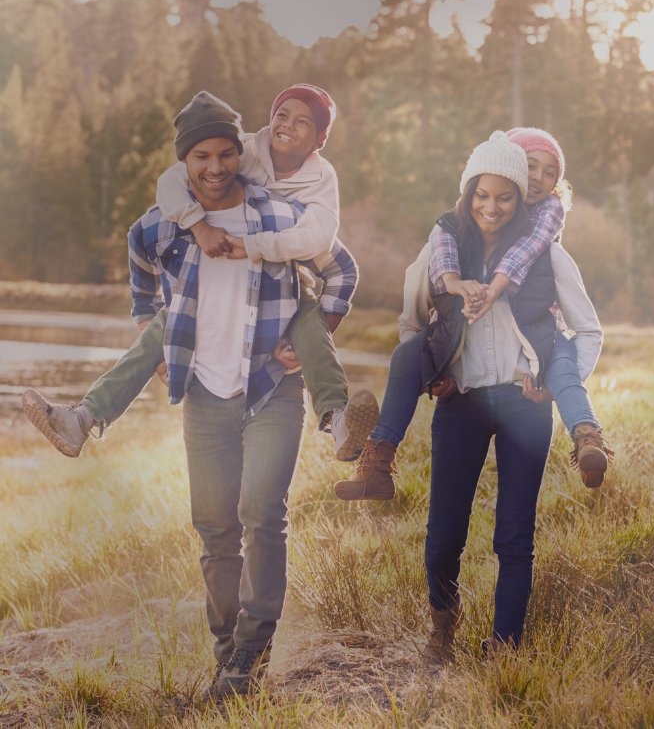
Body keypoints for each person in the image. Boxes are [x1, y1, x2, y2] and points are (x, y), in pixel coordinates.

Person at [47, 97, 357, 699]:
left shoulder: (276, 214)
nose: (214, 167)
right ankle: (230, 657)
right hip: (205, 393)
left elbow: (341, 265)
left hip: (270, 388)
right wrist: (147, 326)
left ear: (242, 154)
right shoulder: (169, 219)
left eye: (225, 154)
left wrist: (323, 327)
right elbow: (138, 255)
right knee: (214, 527)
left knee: (262, 515)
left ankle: (252, 645)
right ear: (183, 162)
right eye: (201, 156)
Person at [22, 86, 378, 464]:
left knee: (308, 321)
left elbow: (326, 243)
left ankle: (337, 420)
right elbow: (171, 183)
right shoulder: (240, 151)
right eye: (282, 114)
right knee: (166, 324)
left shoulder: (315, 186)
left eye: (303, 121)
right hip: (210, 282)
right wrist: (197, 226)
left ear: (321, 139)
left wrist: (306, 337)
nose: (287, 125)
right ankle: (82, 418)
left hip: (284, 282)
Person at [357, 131, 601, 659]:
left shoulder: (547, 257)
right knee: (445, 532)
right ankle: (443, 626)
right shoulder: (441, 249)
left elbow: (588, 331)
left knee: (515, 535)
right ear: (469, 193)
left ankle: (505, 645)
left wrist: (556, 386)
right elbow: (410, 325)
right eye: (483, 195)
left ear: (519, 198)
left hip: (524, 405)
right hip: (461, 403)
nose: (493, 206)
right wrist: (431, 373)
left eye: (507, 195)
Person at [335, 127, 611, 501]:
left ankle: (587, 435)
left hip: (536, 339)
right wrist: (437, 364)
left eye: (551, 173)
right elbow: (419, 303)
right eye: (531, 167)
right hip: (464, 373)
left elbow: (527, 254)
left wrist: (492, 290)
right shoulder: (454, 227)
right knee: (406, 354)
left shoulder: (545, 223)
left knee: (562, 362)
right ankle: (378, 457)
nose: (540, 180)